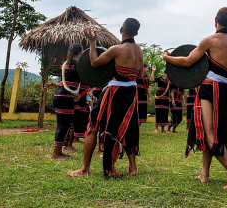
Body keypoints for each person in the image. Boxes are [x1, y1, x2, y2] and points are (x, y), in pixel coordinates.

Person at [163, 7, 227, 190]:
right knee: (214, 130)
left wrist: (167, 58)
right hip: (224, 89)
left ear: (215, 19)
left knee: (208, 133)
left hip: (210, 88)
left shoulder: (210, 40)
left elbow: (188, 61)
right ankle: (204, 174)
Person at [68, 18, 143, 177]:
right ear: (137, 32)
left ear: (121, 29)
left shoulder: (117, 49)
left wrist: (92, 41)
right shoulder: (139, 51)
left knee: (93, 126)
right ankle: (133, 168)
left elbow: (94, 62)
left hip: (114, 93)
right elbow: (140, 75)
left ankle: (84, 169)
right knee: (130, 128)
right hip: (131, 94)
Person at [49, 43, 83, 160]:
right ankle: (55, 154)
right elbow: (85, 79)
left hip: (60, 95)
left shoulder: (65, 64)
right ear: (81, 53)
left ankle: (59, 151)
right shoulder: (78, 65)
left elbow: (65, 81)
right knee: (63, 126)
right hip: (65, 97)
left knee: (64, 124)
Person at [153, 66, 171, 133]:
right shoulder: (160, 79)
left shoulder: (169, 82)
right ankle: (156, 128)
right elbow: (152, 80)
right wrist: (153, 71)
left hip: (166, 99)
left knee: (164, 113)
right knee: (158, 113)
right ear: (164, 73)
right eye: (167, 74)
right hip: (159, 98)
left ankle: (163, 129)